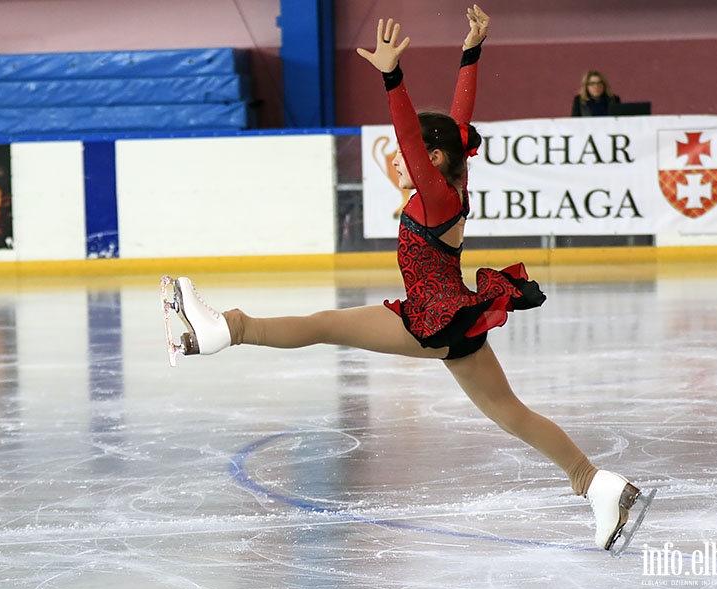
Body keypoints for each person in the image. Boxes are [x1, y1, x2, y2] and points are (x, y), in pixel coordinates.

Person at [163, 5, 652, 553]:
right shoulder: (450, 185)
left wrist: (392, 77)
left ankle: (221, 330)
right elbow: (459, 121)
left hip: (431, 318)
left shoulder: (439, 197)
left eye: (411, 154)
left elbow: (421, 137)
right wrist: (471, 52)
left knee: (326, 324)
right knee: (509, 412)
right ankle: (597, 485)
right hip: (448, 316)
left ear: (433, 158)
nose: (401, 159)